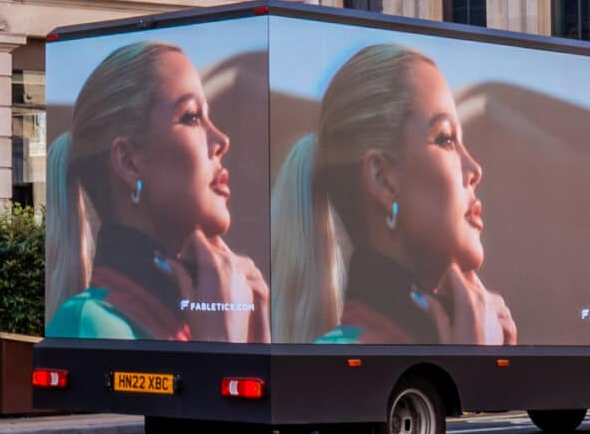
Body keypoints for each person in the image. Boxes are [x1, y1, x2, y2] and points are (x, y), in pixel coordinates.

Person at [272, 44, 513, 347]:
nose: (474, 169)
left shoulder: (345, 343)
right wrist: (477, 371)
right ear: (382, 179)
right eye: (446, 139)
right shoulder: (350, 348)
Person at [41, 41, 269, 344]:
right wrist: (222, 348)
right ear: (128, 161)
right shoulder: (91, 324)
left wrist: (258, 335)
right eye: (191, 117)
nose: (221, 139)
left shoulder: (193, 315)